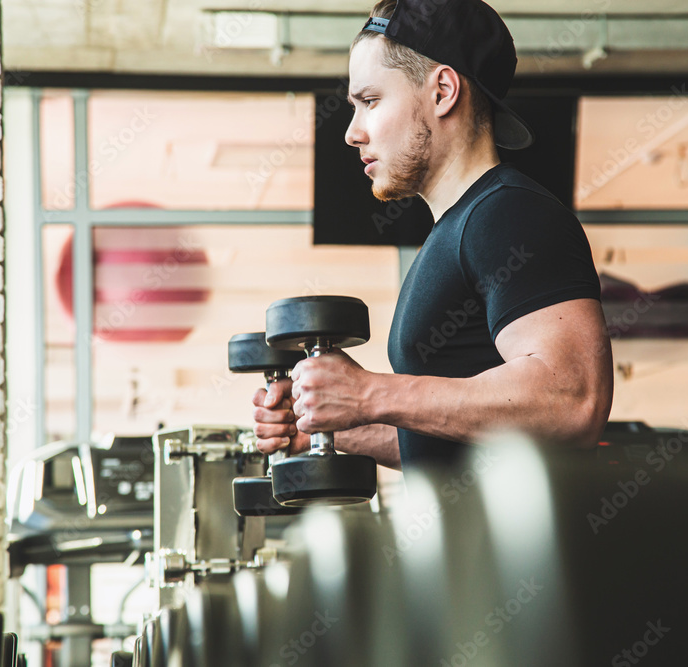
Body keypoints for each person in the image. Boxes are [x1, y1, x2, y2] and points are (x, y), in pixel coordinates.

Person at [253, 0, 613, 471]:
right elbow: (448, 444)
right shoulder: (457, 230)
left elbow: (572, 402)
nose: (352, 133)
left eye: (370, 101)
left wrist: (370, 392)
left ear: (442, 91)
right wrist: (334, 428)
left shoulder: (510, 214)